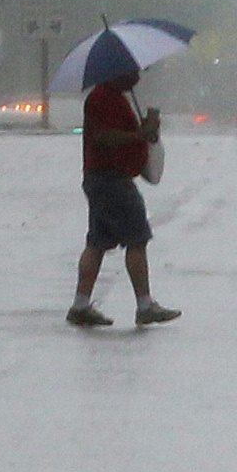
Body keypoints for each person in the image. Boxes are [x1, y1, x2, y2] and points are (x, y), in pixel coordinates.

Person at [70, 62, 180, 328]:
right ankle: (145, 305)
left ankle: (80, 305)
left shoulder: (113, 98)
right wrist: (139, 134)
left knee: (97, 243)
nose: (136, 77)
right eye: (131, 71)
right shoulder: (103, 99)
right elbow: (104, 138)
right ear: (115, 71)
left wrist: (144, 131)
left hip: (102, 179)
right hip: (112, 181)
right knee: (137, 239)